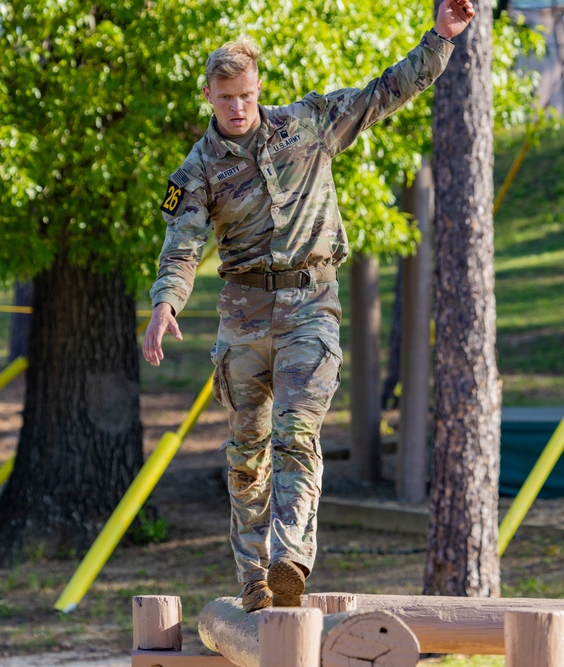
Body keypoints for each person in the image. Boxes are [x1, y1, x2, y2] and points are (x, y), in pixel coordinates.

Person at [142, 0, 476, 613]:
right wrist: (166, 304)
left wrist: (441, 37)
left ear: (257, 88)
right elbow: (181, 246)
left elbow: (386, 91)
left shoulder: (310, 123)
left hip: (309, 306)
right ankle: (253, 577)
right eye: (224, 99)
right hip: (243, 314)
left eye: (244, 94)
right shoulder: (195, 171)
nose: (237, 107)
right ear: (209, 98)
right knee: (248, 452)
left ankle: (290, 558)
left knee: (298, 432)